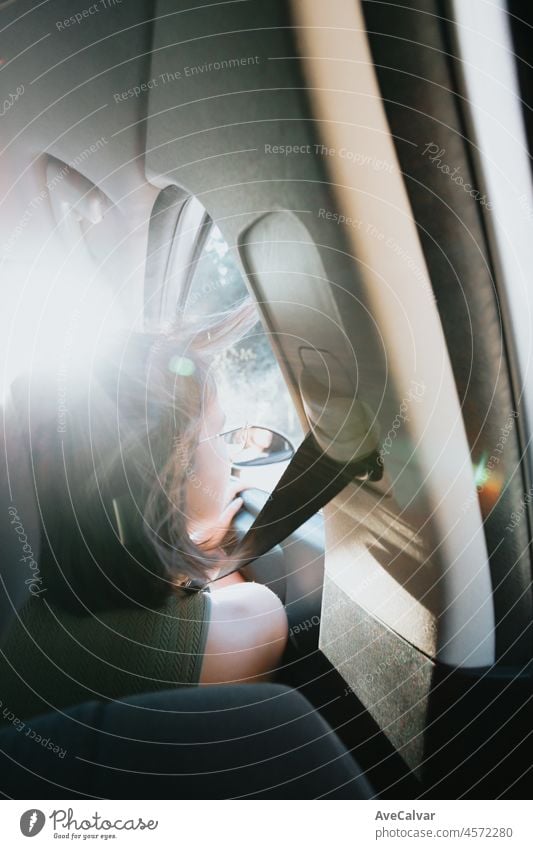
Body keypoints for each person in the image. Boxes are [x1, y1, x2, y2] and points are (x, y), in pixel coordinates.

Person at [0, 305, 288, 724]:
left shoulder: (16, 609)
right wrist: (201, 554)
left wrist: (170, 532)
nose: (227, 451)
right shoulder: (249, 627)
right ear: (170, 468)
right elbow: (240, 610)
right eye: (218, 431)